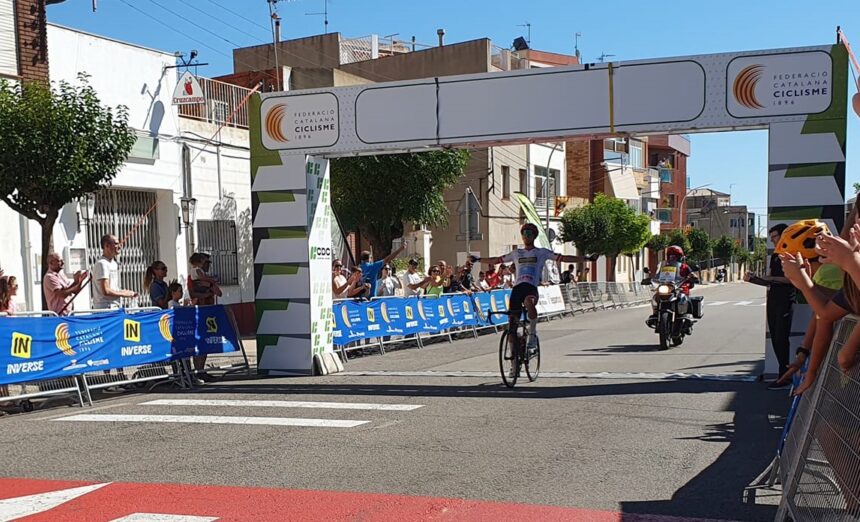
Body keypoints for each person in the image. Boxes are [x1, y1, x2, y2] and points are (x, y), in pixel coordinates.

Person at [471, 223, 596, 355]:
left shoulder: (541, 252)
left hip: (530, 288)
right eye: (524, 234)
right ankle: (514, 362)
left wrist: (586, 258)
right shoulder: (516, 253)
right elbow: (496, 260)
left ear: (534, 236)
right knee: (511, 329)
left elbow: (563, 258)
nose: (526, 237)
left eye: (529, 234)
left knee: (529, 302)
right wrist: (478, 259)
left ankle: (532, 333)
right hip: (517, 289)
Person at [745, 224, 796, 386]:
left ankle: (784, 376)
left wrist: (770, 279)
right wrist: (754, 279)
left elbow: (791, 280)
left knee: (782, 337)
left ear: (784, 236)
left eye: (775, 237)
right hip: (773, 299)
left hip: (786, 299)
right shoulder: (775, 255)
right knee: (775, 337)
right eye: (772, 238)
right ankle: (782, 374)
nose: (773, 241)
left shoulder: (792, 253)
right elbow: (770, 278)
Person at [647, 246, 699, 329]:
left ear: (680, 257)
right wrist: (649, 279)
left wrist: (693, 277)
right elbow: (657, 275)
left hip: (679, 288)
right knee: (656, 297)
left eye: (675, 256)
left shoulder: (684, 267)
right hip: (667, 287)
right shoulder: (663, 267)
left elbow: (692, 274)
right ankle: (655, 314)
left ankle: (688, 317)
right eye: (671, 256)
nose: (673, 258)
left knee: (684, 298)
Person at [92, 234, 137, 309]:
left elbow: (113, 288)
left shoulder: (114, 263)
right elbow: (106, 291)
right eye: (116, 243)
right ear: (107, 246)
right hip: (105, 309)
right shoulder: (102, 264)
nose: (119, 246)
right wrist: (124, 294)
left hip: (115, 307)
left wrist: (127, 292)